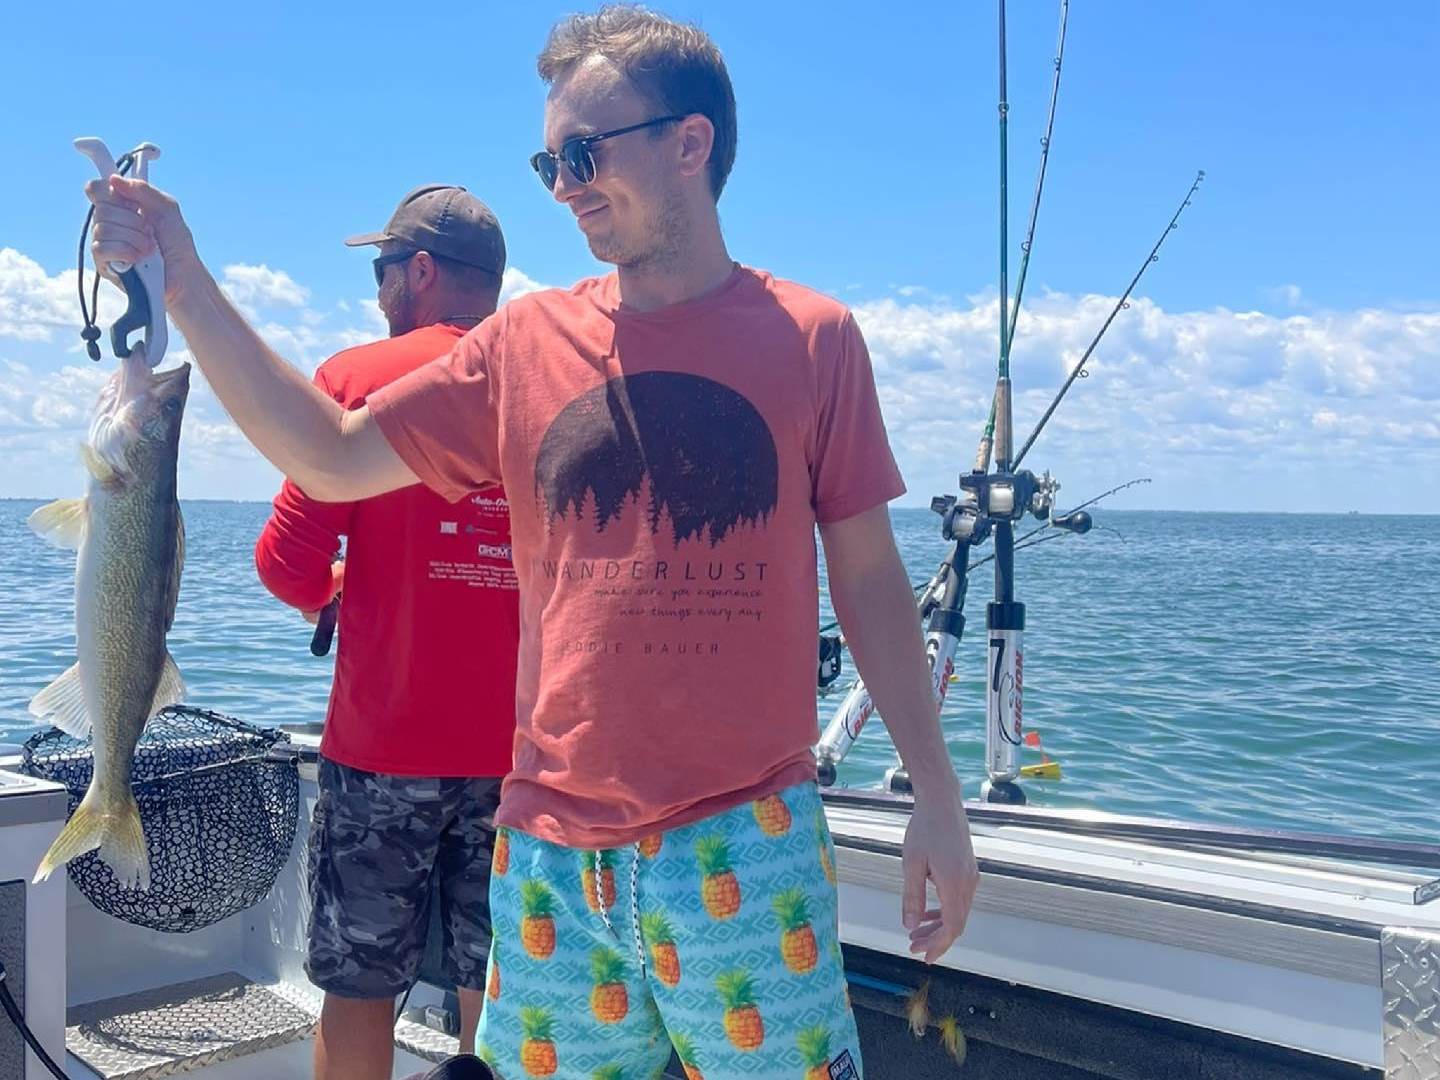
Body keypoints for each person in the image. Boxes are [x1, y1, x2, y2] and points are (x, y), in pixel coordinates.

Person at [85, 7, 982, 1077]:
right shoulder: (523, 343)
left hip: (749, 839)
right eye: (549, 163)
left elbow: (870, 577)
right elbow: (329, 455)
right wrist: (181, 276)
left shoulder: (815, 337)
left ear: (690, 143)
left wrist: (937, 795)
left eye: (584, 154)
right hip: (549, 856)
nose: (563, 187)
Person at [252, 185, 520, 1080]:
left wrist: (334, 588)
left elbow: (286, 563)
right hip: (524, 758)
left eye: (382, 271)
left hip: (384, 754)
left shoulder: (359, 380)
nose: (376, 293)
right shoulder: (549, 381)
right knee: (506, 982)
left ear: (422, 271)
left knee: (360, 985)